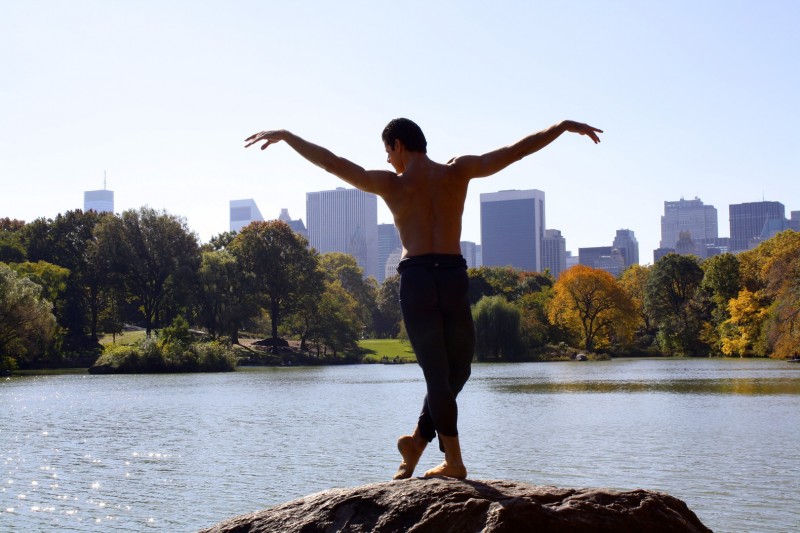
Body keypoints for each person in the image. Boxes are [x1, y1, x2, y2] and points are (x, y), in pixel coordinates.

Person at [245, 118, 602, 480]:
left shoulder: (415, 179)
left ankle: (417, 442)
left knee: (457, 371)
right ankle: (454, 462)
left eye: (387, 152)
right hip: (436, 276)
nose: (387, 160)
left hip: (436, 276)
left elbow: (333, 162)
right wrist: (560, 128)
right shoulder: (447, 173)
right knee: (440, 374)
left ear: (398, 145)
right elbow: (514, 152)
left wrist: (289, 137)